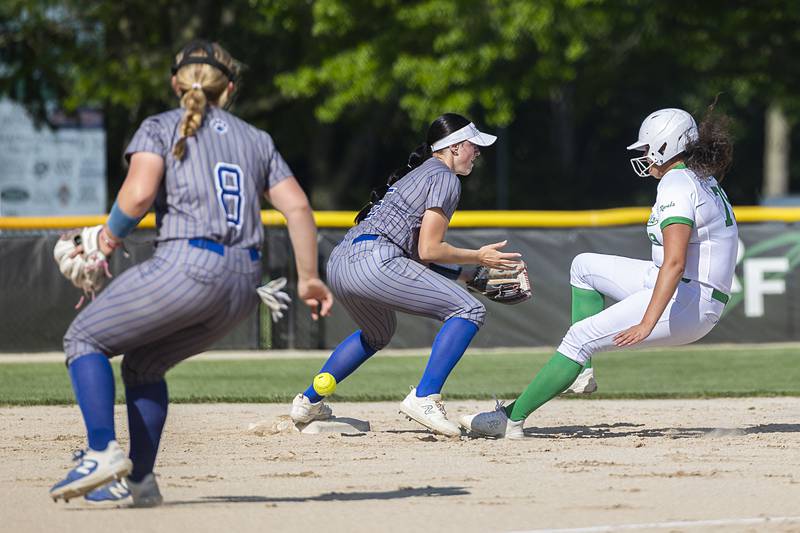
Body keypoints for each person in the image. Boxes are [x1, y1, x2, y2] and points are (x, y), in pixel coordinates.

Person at [49, 40, 333, 506]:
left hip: (187, 265)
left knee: (84, 340)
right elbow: (298, 207)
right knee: (144, 365)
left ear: (176, 83)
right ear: (231, 88)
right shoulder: (256, 139)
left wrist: (107, 239)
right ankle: (140, 481)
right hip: (245, 284)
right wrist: (308, 277)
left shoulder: (161, 125)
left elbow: (138, 196)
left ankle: (101, 451)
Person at [460, 107, 737, 438]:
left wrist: (647, 321)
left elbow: (675, 262)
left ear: (665, 146)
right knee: (584, 266)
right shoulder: (698, 178)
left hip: (692, 298)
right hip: (688, 288)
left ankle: (510, 420)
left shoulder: (677, 183)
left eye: (648, 149)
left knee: (579, 339)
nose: (646, 157)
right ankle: (581, 371)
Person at [290, 113, 521, 436]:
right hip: (375, 260)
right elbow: (429, 249)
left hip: (342, 261)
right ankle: (425, 397)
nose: (478, 152)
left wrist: (466, 274)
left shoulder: (417, 174)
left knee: (377, 334)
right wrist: (479, 256)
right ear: (454, 148)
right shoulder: (445, 177)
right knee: (469, 310)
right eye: (473, 145)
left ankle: (308, 402)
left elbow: (417, 255)